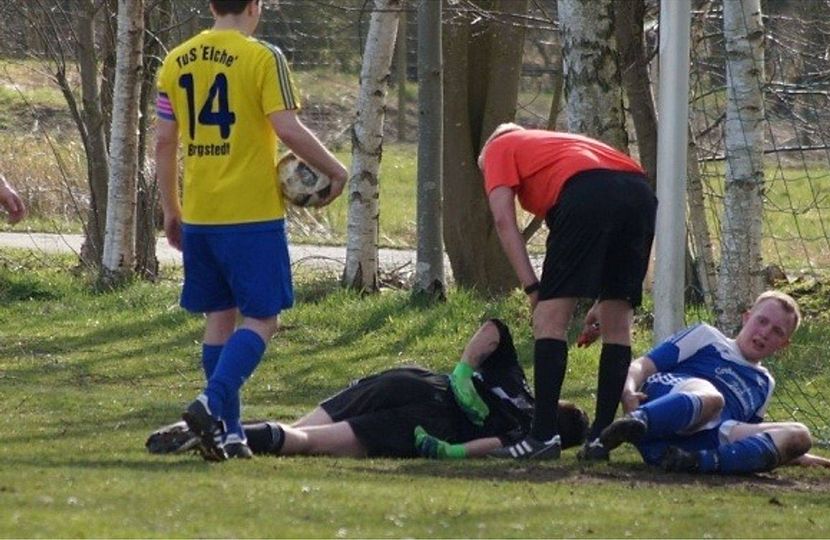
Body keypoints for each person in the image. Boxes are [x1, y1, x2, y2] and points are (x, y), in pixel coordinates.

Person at [154, 0, 348, 461]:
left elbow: (164, 141)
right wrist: (335, 169)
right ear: (255, 6)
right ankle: (210, 404)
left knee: (219, 318)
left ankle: (231, 433)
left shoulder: (175, 59)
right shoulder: (263, 56)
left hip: (200, 214)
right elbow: (287, 127)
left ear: (211, 5)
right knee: (263, 319)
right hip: (251, 215)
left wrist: (171, 209)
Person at [146, 319, 589, 459]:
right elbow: (485, 446)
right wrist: (446, 452)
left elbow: (494, 329)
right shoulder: (527, 433)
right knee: (304, 442)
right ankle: (236, 437)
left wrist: (462, 369)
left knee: (303, 427)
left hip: (414, 379)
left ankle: (219, 426)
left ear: (560, 402)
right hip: (425, 423)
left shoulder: (519, 385)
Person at [477, 123, 657, 460]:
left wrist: (533, 290)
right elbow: (612, 194)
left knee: (549, 320)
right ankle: (601, 438)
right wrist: (603, 300)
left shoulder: (500, 147)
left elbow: (503, 221)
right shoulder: (560, 146)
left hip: (586, 192)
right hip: (639, 191)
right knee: (617, 325)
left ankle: (542, 436)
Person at [598, 290, 830, 474]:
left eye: (778, 332)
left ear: (784, 345)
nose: (766, 332)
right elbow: (642, 365)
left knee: (800, 434)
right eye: (762, 321)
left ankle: (694, 462)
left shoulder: (765, 383)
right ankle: (636, 424)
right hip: (665, 404)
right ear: (747, 317)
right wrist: (628, 392)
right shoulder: (707, 337)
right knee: (713, 398)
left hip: (699, 438)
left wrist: (796, 453)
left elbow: (743, 438)